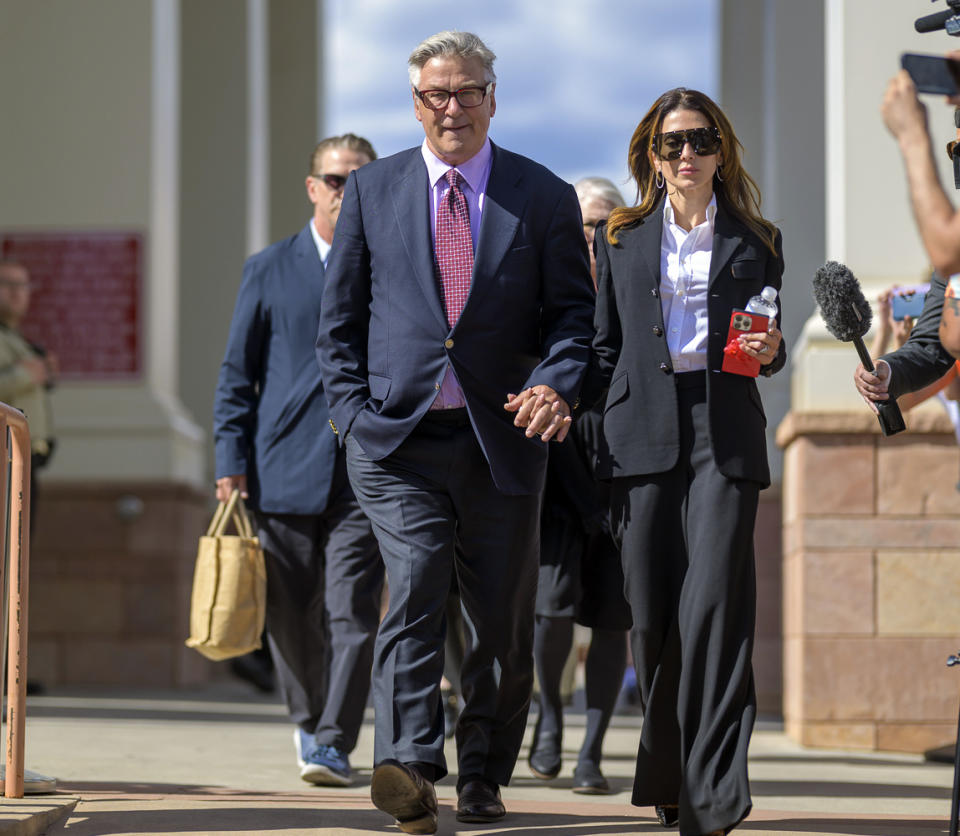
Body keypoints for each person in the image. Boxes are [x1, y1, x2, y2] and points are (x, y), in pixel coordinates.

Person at [315, 30, 595, 835]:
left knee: (502, 624)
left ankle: (482, 773)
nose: (452, 107)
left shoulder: (540, 195)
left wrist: (555, 381)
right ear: (415, 104)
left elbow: (575, 319)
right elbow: (339, 326)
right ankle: (408, 766)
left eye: (468, 91)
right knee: (419, 578)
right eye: (437, 94)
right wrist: (354, 420)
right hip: (395, 440)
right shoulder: (373, 191)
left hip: (502, 439)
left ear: (492, 99)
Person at [581, 88, 784, 836]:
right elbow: (604, 349)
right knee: (656, 623)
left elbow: (769, 339)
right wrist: (588, 435)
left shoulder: (758, 240)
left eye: (700, 141)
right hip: (639, 440)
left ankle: (715, 796)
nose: (687, 155)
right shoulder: (623, 239)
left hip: (723, 435)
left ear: (721, 150)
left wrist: (773, 351)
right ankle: (669, 774)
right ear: (653, 157)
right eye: (672, 145)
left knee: (715, 614)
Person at [213, 134, 383, 788]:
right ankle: (310, 722)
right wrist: (230, 460)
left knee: (352, 612)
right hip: (278, 469)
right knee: (289, 614)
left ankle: (335, 741)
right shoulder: (269, 267)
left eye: (358, 182)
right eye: (335, 181)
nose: (345, 192)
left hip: (365, 468)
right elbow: (237, 376)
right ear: (312, 187)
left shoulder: (392, 264)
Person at [528, 177, 631, 795]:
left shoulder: (640, 287)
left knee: (614, 616)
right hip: (556, 469)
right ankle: (549, 717)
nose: (593, 236)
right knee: (551, 608)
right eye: (583, 225)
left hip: (622, 471)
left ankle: (592, 751)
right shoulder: (548, 291)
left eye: (604, 224)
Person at [0, 259, 57, 530]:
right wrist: (26, 375)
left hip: (21, 459)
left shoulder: (16, 338)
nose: (16, 292)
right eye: (7, 283)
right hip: (4, 457)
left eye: (22, 285)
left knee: (18, 549)